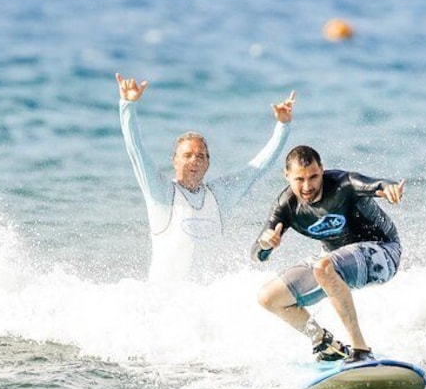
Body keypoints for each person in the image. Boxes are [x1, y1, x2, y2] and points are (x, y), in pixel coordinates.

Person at [117, 73, 294, 282]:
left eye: (201, 156)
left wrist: (283, 126)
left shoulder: (220, 195)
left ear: (208, 163)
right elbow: (136, 151)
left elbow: (258, 167)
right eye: (187, 155)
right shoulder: (161, 193)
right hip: (163, 303)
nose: (195, 160)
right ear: (174, 161)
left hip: (205, 304)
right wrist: (127, 105)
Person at [251, 145, 406, 363]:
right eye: (299, 179)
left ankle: (361, 350)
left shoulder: (343, 184)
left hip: (383, 252)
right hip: (335, 262)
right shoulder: (285, 206)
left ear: (322, 169)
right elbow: (257, 254)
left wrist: (388, 187)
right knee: (269, 297)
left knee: (323, 267)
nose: (307, 186)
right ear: (286, 176)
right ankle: (325, 343)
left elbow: (374, 184)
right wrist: (266, 244)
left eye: (314, 177)